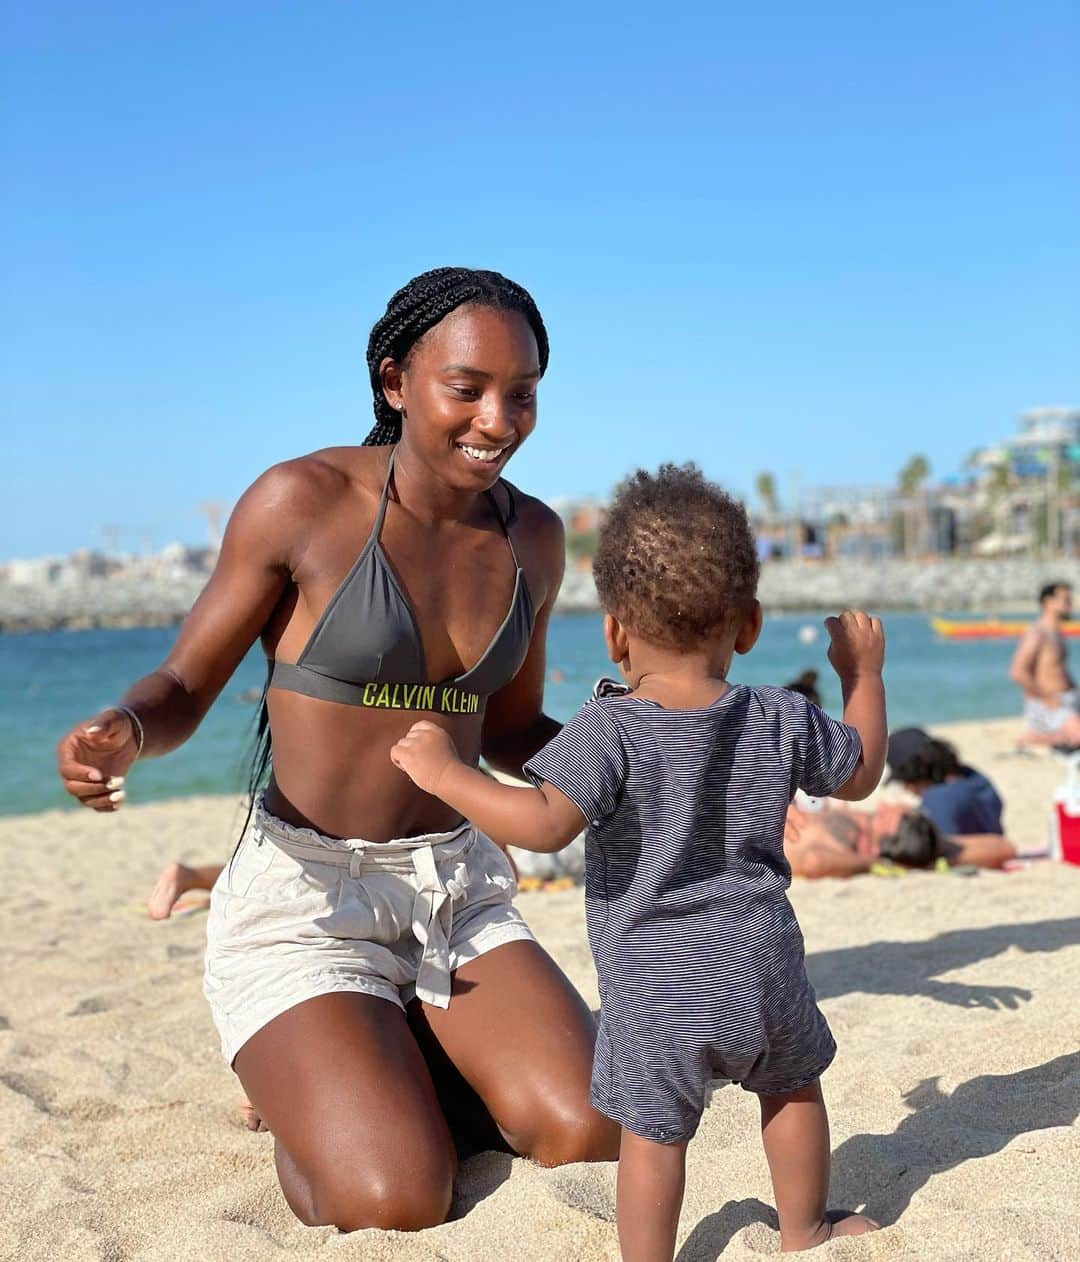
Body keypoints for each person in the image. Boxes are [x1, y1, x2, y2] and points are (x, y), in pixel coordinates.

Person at [55, 267, 618, 1231]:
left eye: (521, 394)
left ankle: (381, 1056)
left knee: (591, 1130)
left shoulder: (534, 538)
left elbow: (515, 726)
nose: (498, 418)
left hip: (455, 887)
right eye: (468, 387)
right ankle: (325, 1087)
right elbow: (186, 685)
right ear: (396, 382)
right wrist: (130, 733)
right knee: (394, 1197)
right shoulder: (302, 501)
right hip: (304, 898)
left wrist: (640, 766)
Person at [390, 465, 885, 1261]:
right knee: (791, 1090)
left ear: (616, 632)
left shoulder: (610, 728)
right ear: (749, 625)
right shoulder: (780, 715)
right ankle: (806, 1230)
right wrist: (862, 675)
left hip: (656, 988)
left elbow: (545, 824)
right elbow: (860, 772)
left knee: (654, 1138)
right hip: (763, 965)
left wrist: (449, 775)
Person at [784, 728, 1015, 878]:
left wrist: (879, 861)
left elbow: (813, 862)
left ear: (891, 828)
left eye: (909, 813)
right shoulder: (910, 834)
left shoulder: (852, 843)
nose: (909, 805)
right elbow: (1003, 847)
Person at [1011, 581, 1080, 745]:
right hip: (1050, 706)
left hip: (1068, 700)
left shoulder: (1055, 633)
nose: (1070, 606)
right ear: (1048, 602)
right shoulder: (1037, 633)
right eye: (1065, 600)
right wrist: (1047, 699)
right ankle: (1036, 737)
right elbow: (1017, 672)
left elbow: (1056, 671)